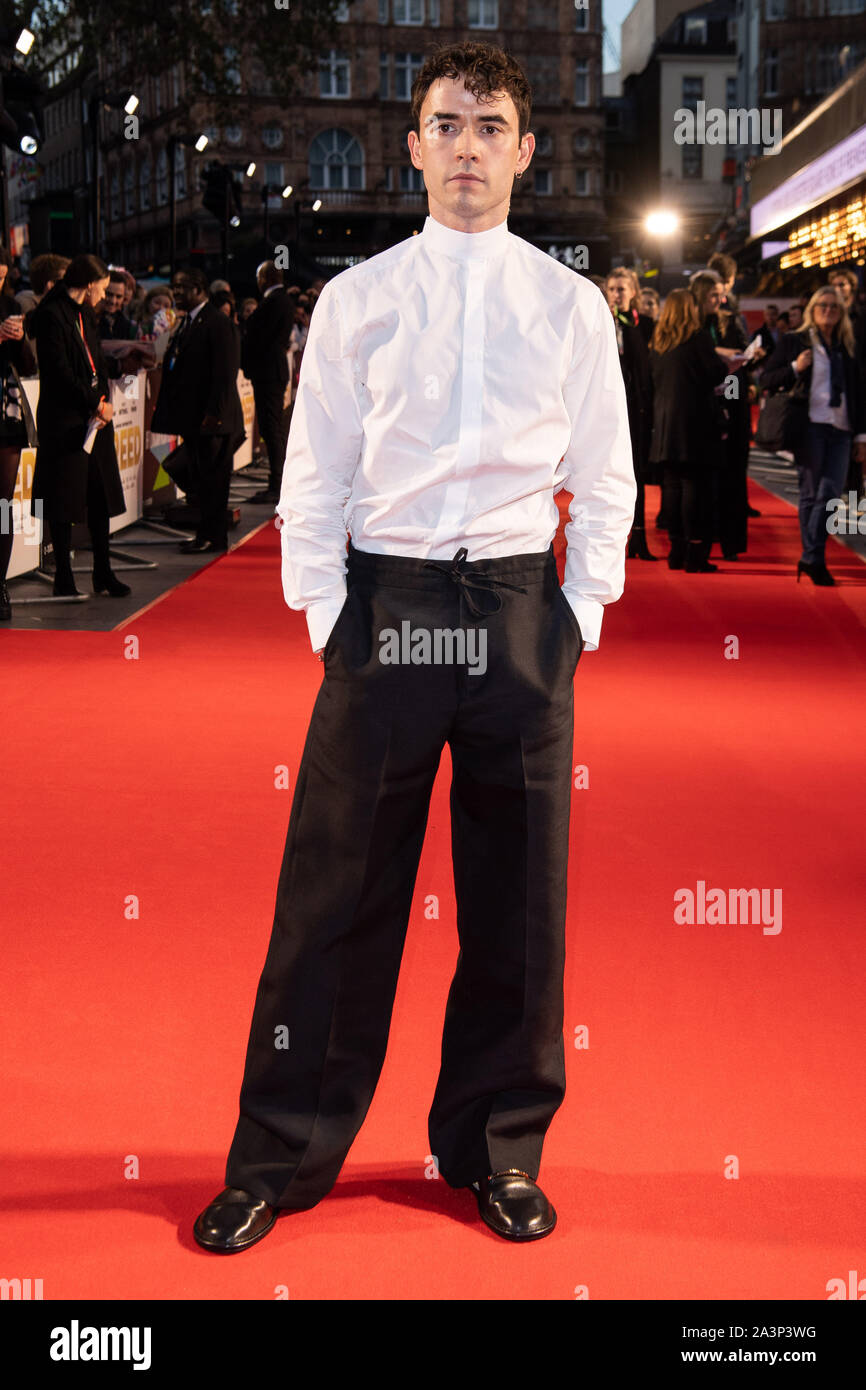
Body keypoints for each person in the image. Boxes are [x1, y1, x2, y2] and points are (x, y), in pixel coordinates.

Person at [193, 38, 635, 1255]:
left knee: (518, 905)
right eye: (446, 125)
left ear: (524, 150)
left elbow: (604, 482)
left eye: (490, 127)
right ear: (414, 144)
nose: (467, 149)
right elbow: (312, 478)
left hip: (513, 618)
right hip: (382, 617)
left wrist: (575, 618)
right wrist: (333, 621)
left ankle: (496, 1146)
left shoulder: (570, 306)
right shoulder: (355, 301)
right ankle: (278, 1155)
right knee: (329, 903)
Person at [29, 254, 147, 597]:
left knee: (100, 495)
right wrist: (95, 402)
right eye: (103, 289)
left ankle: (103, 572)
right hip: (65, 420)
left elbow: (93, 362)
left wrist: (110, 385)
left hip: (95, 419)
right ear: (90, 284)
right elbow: (59, 372)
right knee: (64, 498)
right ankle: (63, 577)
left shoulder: (85, 314)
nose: (107, 295)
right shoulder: (53, 316)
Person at [761, 285, 866, 585]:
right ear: (813, 309)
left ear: (842, 312)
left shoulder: (847, 346)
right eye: (823, 305)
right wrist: (796, 366)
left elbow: (859, 393)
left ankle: (810, 557)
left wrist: (861, 437)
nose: (828, 310)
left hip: (842, 428)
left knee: (831, 494)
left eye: (834, 306)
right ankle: (815, 558)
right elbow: (768, 377)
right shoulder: (795, 341)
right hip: (809, 426)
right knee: (810, 494)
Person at [150, 267, 244, 553]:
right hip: (195, 419)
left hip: (213, 421)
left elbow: (224, 373)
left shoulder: (217, 322)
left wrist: (214, 414)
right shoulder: (189, 322)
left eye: (183, 288)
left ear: (200, 289)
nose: (177, 294)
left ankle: (213, 537)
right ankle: (207, 533)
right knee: (202, 480)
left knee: (214, 483)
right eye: (174, 288)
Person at [649, 288, 729, 572]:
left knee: (671, 487)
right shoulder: (699, 338)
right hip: (695, 425)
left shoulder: (658, 342)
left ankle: (676, 550)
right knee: (695, 488)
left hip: (665, 425)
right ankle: (695, 554)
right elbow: (715, 375)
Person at [605, 268, 655, 559]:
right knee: (608, 478)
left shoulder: (645, 324)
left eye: (622, 289)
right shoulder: (601, 321)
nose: (616, 294)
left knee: (635, 474)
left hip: (637, 410)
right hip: (607, 411)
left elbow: (645, 365)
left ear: (633, 292)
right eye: (612, 289)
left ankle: (639, 539)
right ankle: (611, 542)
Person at [0, 249, 38, 621]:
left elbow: (27, 365)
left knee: (3, 504)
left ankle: (1, 584)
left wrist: (19, 337)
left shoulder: (9, 303)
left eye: (1, 277)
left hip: (6, 411)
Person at [240, 260, 295, 504]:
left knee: (271, 429)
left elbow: (258, 336)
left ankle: (277, 484)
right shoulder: (282, 300)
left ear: (264, 279)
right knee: (272, 429)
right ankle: (278, 482)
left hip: (269, 373)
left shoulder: (275, 301)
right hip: (272, 371)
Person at [97, 272, 139, 340]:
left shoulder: (126, 325)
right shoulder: (87, 317)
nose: (113, 301)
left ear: (124, 298)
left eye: (118, 296)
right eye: (109, 294)